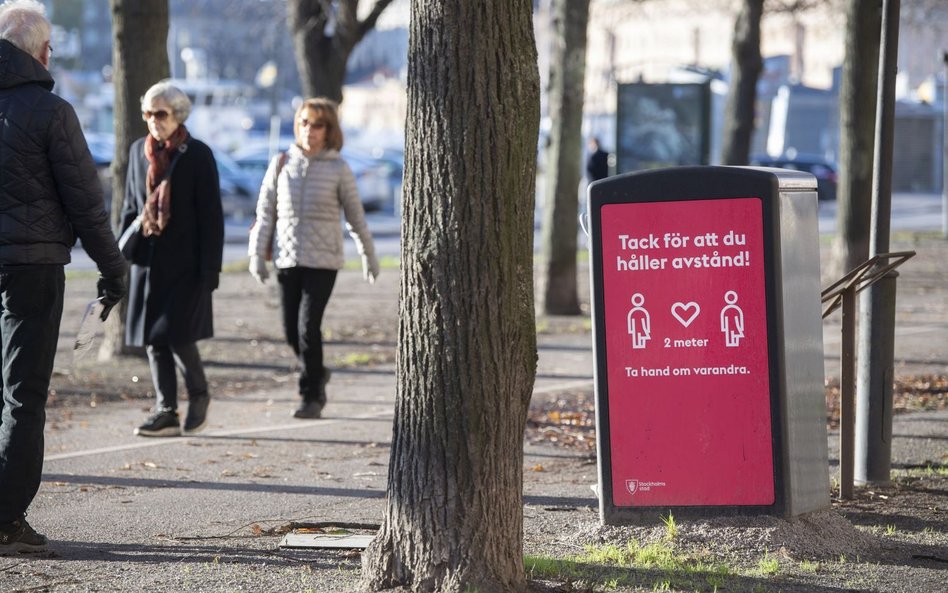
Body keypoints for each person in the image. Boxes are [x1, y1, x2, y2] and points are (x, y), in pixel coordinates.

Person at [0, 0, 126, 555]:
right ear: (39, 51)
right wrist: (113, 268)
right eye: (50, 48)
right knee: (22, 398)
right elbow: (85, 203)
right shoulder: (51, 112)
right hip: (32, 266)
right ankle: (5, 521)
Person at [248, 97, 378, 419]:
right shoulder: (281, 163)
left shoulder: (339, 168)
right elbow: (266, 213)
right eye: (304, 122)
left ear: (329, 130)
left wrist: (368, 253)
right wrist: (256, 254)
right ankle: (317, 369)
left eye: (317, 124)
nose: (310, 130)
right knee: (290, 332)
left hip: (323, 261)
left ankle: (312, 395)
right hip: (287, 259)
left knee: (308, 328)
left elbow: (355, 216)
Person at [119, 81, 224, 438]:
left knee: (177, 334)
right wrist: (120, 252)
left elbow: (211, 217)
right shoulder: (137, 151)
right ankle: (166, 409)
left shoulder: (197, 154)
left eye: (160, 113)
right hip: (147, 262)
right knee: (153, 338)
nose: (152, 120)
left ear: (178, 114)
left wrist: (211, 269)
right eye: (147, 113)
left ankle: (199, 393)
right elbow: (130, 207)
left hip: (186, 263)